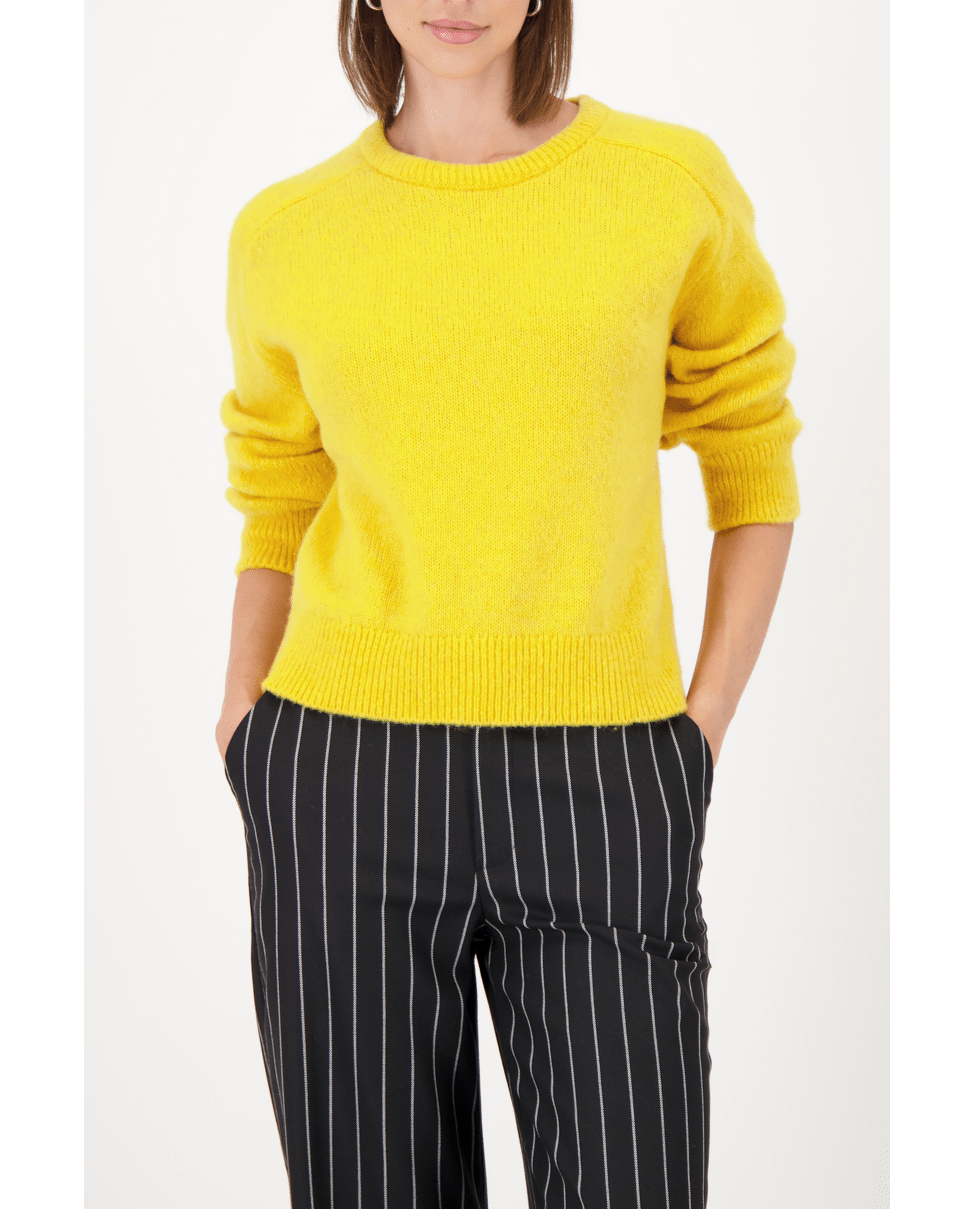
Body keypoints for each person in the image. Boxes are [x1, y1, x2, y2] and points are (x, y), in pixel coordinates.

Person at [215, 2, 803, 1206]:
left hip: (604, 775)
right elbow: (277, 488)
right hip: (342, 776)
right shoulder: (286, 231)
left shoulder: (667, 187)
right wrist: (245, 721)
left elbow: (752, 459)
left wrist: (697, 731)